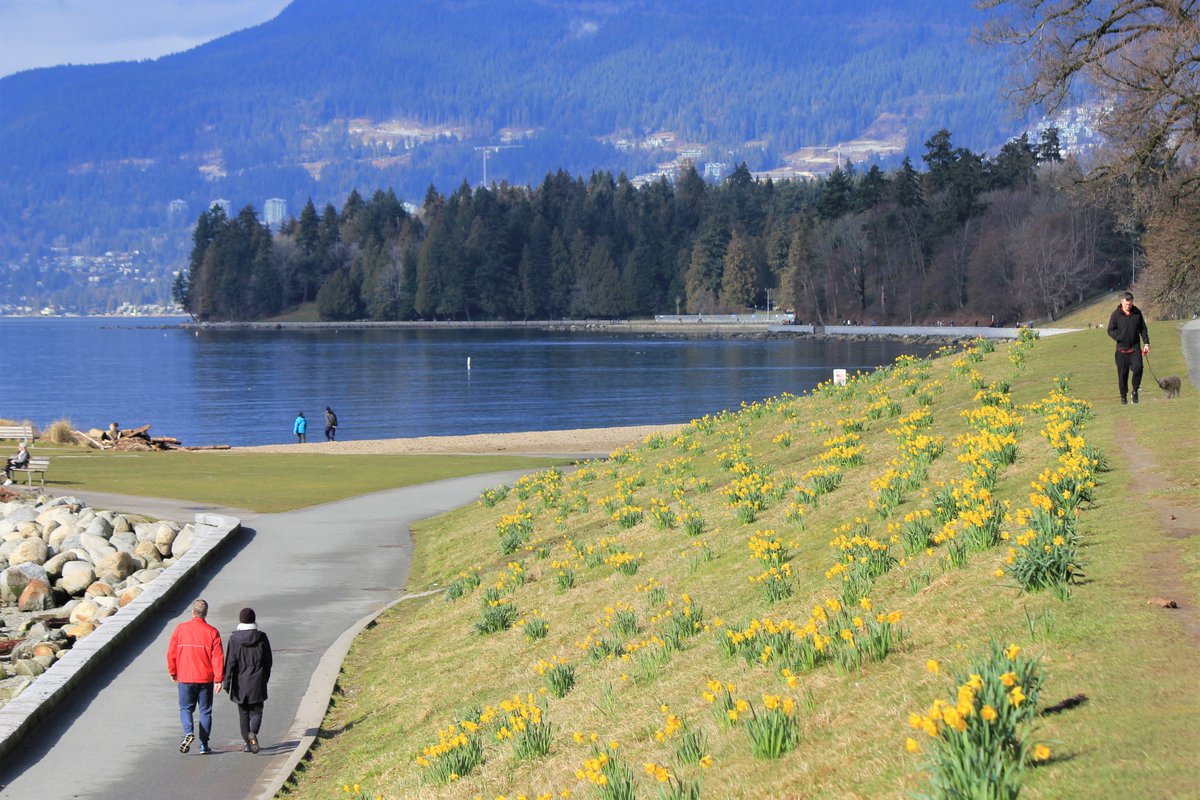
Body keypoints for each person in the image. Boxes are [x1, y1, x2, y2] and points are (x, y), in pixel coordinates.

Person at [167, 598, 224, 755]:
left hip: (185, 676)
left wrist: (173, 672)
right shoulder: (212, 632)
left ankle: (188, 732)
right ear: (205, 614)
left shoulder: (180, 629)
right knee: (205, 711)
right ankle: (204, 745)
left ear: (192, 612)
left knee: (186, 708)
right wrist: (219, 679)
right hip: (205, 678)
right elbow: (217, 657)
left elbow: (171, 653)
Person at [222, 607, 273, 754]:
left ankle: (246, 743)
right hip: (257, 680)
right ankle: (253, 733)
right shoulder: (262, 637)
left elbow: (230, 661)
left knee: (243, 714)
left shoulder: (234, 639)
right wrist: (265, 677)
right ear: (254, 620)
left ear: (240, 620)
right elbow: (268, 661)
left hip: (239, 683)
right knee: (257, 712)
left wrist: (227, 682)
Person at [1107, 291, 1151, 404]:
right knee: (1122, 375)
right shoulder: (1116, 314)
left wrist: (1146, 343)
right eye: (1126, 304)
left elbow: (1143, 328)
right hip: (1121, 350)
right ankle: (1123, 396)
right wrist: (1119, 337)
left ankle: (1135, 391)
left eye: (1130, 304)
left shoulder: (1137, 313)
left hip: (1135, 348)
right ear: (1122, 302)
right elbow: (1110, 330)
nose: (1128, 306)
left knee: (1138, 368)